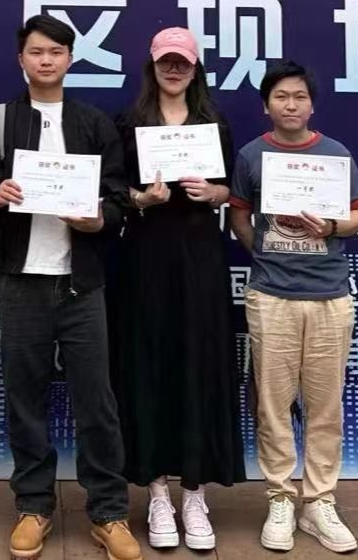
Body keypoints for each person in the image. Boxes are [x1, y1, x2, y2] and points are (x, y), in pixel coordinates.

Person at [0, 14, 141, 560]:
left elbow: (118, 199)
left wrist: (98, 219)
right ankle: (34, 505)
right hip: (21, 280)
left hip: (81, 283)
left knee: (97, 402)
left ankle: (108, 511)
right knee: (25, 399)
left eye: (56, 52)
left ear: (70, 59)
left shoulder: (93, 123)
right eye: (36, 52)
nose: (46, 60)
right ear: (21, 59)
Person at [227, 61, 358, 556]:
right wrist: (268, 256)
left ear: (312, 105)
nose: (291, 105)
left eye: (300, 97)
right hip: (271, 296)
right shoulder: (251, 156)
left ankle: (319, 501)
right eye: (281, 97)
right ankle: (280, 498)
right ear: (266, 105)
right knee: (272, 405)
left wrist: (331, 228)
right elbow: (240, 217)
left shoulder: (335, 154)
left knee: (325, 406)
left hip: (330, 296)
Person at [112, 27, 244, 552]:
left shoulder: (214, 123)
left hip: (199, 258)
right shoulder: (128, 123)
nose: (174, 69)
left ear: (195, 68)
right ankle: (157, 493)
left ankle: (194, 493)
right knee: (149, 366)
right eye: (166, 61)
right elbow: (112, 191)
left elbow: (232, 190)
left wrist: (215, 192)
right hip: (145, 257)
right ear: (152, 65)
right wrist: (141, 199)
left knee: (197, 364)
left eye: (182, 62)